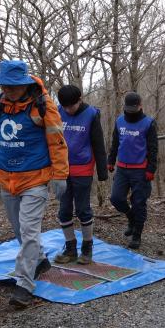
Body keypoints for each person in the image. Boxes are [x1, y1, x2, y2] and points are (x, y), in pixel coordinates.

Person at [0, 60, 69, 307]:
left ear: (24, 84)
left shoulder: (42, 105)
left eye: (13, 86)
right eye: (4, 86)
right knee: (19, 231)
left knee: (29, 231)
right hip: (7, 179)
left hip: (35, 179)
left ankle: (24, 285)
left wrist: (60, 175)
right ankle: (40, 261)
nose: (8, 90)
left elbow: (57, 142)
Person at [53, 85, 108, 265]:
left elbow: (98, 143)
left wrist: (102, 171)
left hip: (83, 169)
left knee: (83, 209)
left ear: (80, 100)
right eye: (66, 107)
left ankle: (87, 248)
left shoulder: (91, 114)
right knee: (64, 211)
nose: (69, 110)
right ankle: (70, 249)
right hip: (62, 169)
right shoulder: (58, 111)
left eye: (72, 106)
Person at [108, 92, 158, 249]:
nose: (130, 110)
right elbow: (115, 142)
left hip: (140, 171)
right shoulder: (119, 121)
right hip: (122, 168)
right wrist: (111, 160)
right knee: (116, 199)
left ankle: (137, 235)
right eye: (127, 108)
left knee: (139, 203)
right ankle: (130, 217)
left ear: (140, 105)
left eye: (133, 108)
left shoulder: (148, 123)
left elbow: (153, 149)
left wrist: (151, 169)